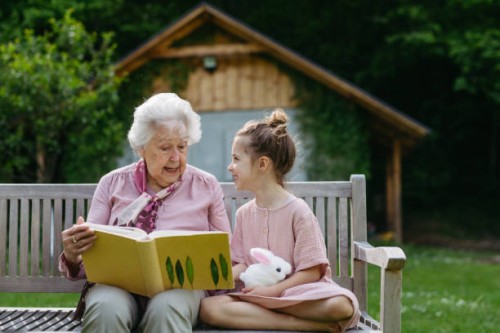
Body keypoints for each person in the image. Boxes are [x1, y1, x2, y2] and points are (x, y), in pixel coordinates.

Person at [59, 93, 232, 332]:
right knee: (105, 307)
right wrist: (72, 253)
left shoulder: (206, 185)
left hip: (181, 290)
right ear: (141, 148)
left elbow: (225, 256)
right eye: (165, 147)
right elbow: (90, 257)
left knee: (167, 307)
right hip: (117, 286)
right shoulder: (112, 183)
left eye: (182, 147)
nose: (175, 157)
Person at [199, 109, 360, 333]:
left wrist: (274, 293)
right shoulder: (244, 214)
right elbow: (243, 263)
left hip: (296, 293)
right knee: (208, 308)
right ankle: (300, 325)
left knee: (341, 306)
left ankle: (267, 313)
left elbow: (312, 272)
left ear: (262, 164)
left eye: (236, 159)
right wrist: (212, 278)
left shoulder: (298, 211)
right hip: (258, 295)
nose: (230, 166)